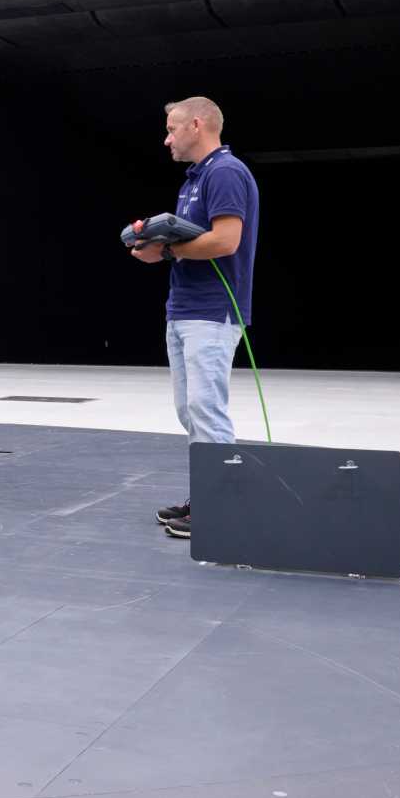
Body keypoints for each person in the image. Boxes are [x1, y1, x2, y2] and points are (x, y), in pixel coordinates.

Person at [129, 96, 259, 540]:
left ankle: (221, 504)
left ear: (197, 125)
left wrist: (164, 249)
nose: (166, 139)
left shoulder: (224, 172)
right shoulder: (195, 179)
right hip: (185, 309)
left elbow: (226, 241)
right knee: (191, 410)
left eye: (172, 128)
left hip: (212, 312)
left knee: (207, 408)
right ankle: (207, 493)